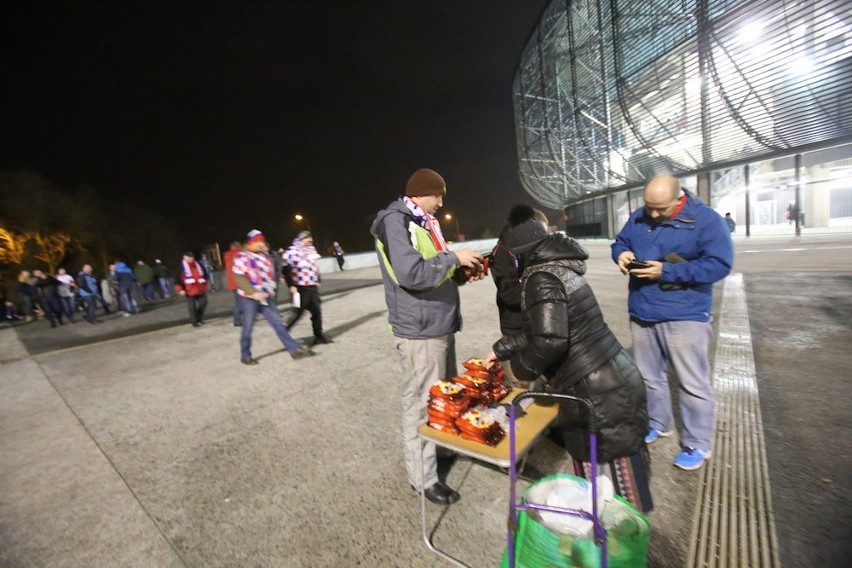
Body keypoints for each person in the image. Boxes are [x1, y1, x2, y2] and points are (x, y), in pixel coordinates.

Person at [484, 209, 653, 513]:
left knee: (610, 506)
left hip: (598, 394)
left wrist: (522, 370)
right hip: (610, 380)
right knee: (608, 497)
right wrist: (501, 349)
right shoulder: (557, 268)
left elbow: (550, 340)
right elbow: (544, 327)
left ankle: (613, 555)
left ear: (521, 253)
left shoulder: (541, 277)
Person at [370, 168, 484, 505]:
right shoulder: (397, 222)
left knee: (444, 398)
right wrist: (453, 258)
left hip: (438, 323)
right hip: (420, 330)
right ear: (421, 193)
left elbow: (434, 268)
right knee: (422, 403)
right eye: (438, 195)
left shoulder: (423, 222)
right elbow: (410, 273)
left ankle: (442, 450)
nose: (441, 202)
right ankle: (423, 478)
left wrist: (460, 272)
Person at [612, 174, 733, 471]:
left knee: (692, 383)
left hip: (685, 315)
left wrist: (666, 272)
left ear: (679, 199)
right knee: (648, 377)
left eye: (660, 209)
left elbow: (719, 264)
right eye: (648, 207)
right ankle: (658, 422)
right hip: (643, 311)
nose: (652, 215)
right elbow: (621, 241)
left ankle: (697, 442)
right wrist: (623, 254)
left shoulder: (707, 221)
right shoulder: (640, 216)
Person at [489, 205, 550, 388]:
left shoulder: (538, 250)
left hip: (540, 326)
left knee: (548, 381)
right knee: (520, 385)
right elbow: (509, 293)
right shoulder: (501, 251)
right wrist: (541, 292)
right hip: (515, 328)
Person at [232, 229, 314, 363]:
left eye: (261, 241)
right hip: (249, 298)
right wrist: (253, 292)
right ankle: (245, 355)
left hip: (267, 297)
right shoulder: (242, 257)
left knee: (278, 324)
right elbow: (239, 278)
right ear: (250, 243)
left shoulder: (266, 256)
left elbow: (271, 273)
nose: (260, 243)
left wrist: (272, 288)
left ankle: (294, 350)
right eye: (257, 241)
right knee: (247, 327)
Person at [282, 230, 333, 345]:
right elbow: (286, 270)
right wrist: (291, 285)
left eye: (311, 239)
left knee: (317, 312)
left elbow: (314, 266)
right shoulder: (291, 251)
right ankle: (283, 333)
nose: (310, 241)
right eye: (308, 239)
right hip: (300, 288)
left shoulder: (311, 250)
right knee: (297, 313)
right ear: (301, 239)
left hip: (312, 286)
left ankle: (318, 336)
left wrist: (318, 279)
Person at [174, 252, 208, 327]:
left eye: (192, 257)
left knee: (204, 303)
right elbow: (177, 280)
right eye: (188, 257)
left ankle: (199, 317)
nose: (191, 258)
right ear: (184, 258)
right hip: (189, 290)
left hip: (200, 289)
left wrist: (204, 285)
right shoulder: (181, 268)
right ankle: (194, 321)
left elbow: (205, 276)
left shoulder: (199, 265)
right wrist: (180, 290)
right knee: (191, 307)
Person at [223, 241, 245, 327]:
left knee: (239, 301)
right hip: (239, 281)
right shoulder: (239, 255)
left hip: (232, 282)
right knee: (240, 301)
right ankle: (237, 320)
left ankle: (240, 319)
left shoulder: (228, 255)